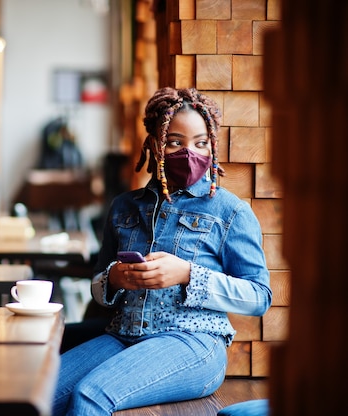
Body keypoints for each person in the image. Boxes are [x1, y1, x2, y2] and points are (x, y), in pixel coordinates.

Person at [52, 87, 272, 415]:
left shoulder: (230, 212)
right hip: (123, 334)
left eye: (200, 143)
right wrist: (114, 278)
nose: (189, 152)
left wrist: (187, 275)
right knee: (40, 392)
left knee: (89, 396)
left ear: (212, 145)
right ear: (155, 145)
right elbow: (97, 286)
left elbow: (259, 297)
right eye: (175, 142)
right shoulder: (123, 207)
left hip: (194, 342)